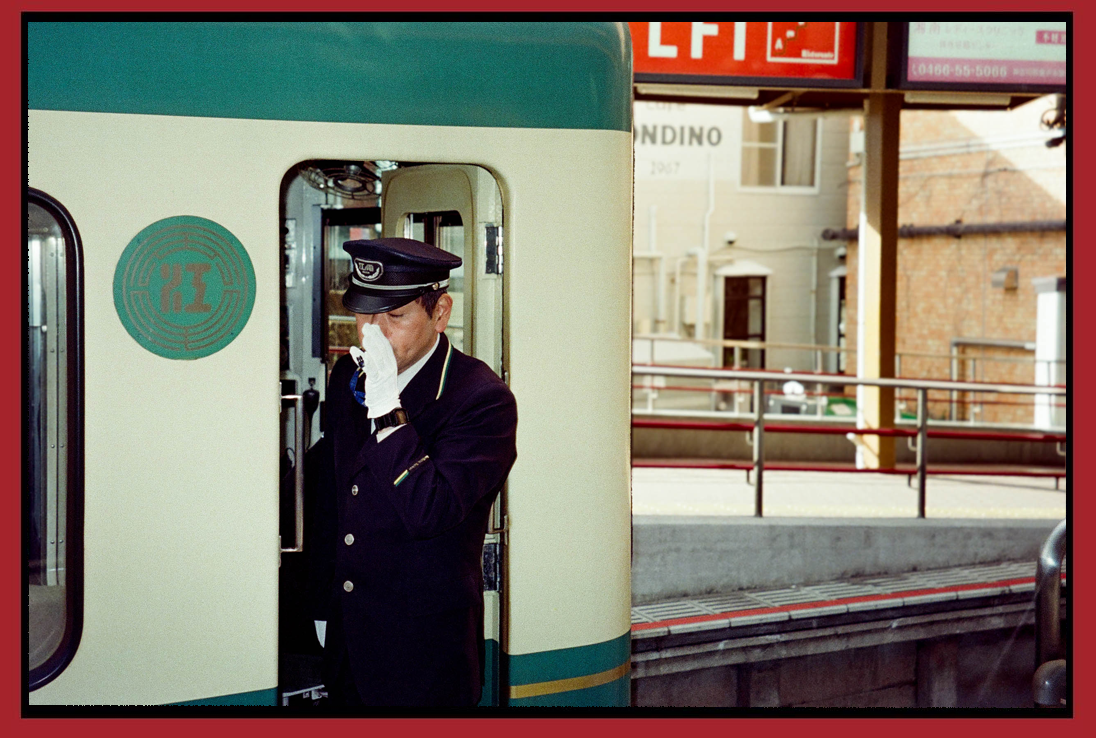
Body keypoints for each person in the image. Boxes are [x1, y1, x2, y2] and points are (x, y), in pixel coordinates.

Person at [307, 237, 518, 708]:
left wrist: (387, 408)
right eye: (365, 314)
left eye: (395, 317)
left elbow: (431, 509)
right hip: (347, 641)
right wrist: (323, 602)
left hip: (422, 655)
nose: (373, 335)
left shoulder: (480, 399)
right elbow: (334, 494)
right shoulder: (349, 378)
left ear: (440, 312)